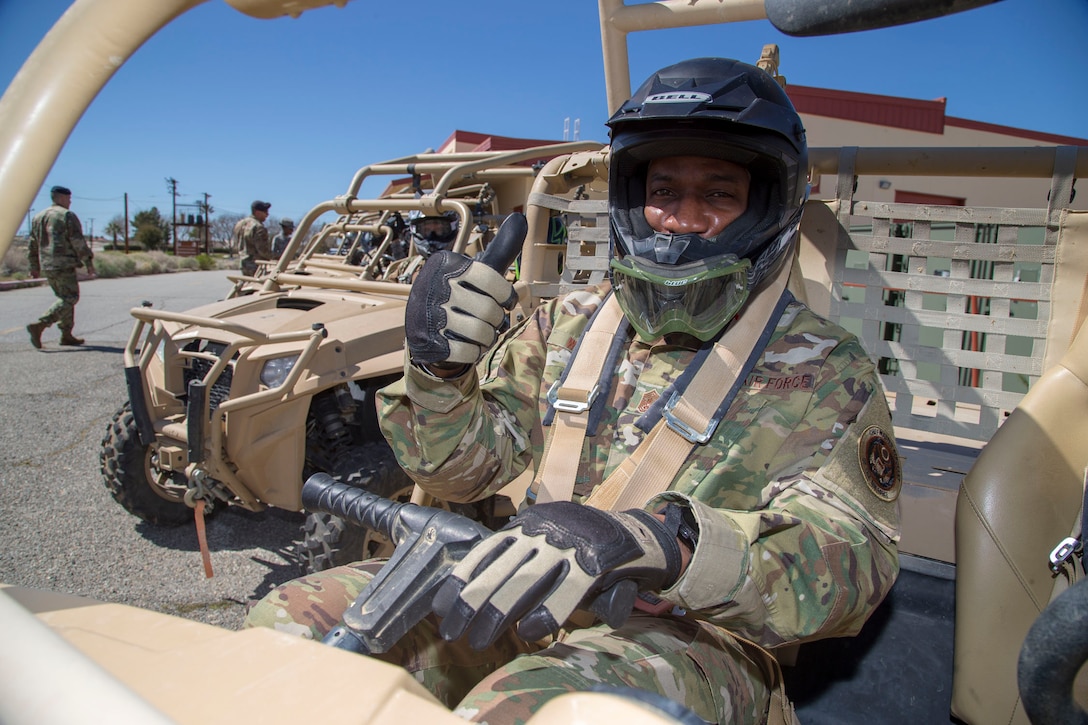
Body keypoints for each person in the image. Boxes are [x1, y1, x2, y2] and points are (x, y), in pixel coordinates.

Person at [246, 58, 901, 724]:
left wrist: (670, 542)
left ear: (768, 203)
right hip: (519, 587)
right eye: (664, 189)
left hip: (691, 637)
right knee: (289, 631)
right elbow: (458, 473)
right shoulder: (571, 322)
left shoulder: (824, 368)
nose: (681, 218)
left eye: (719, 193)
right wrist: (438, 376)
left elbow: (851, 565)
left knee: (536, 710)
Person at [26, 184, 96, 348]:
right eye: (69, 199)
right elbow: (78, 241)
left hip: (47, 264)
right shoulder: (66, 216)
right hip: (63, 264)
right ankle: (40, 325)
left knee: (64, 298)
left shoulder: (38, 217)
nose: (70, 202)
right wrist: (88, 262)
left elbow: (32, 244)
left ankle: (66, 334)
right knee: (70, 298)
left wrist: (34, 266)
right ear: (62, 198)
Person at [234, 200, 272, 276]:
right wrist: (273, 258)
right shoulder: (258, 227)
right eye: (265, 212)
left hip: (243, 262)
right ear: (257, 212)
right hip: (256, 265)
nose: (267, 214)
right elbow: (262, 250)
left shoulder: (240, 224)